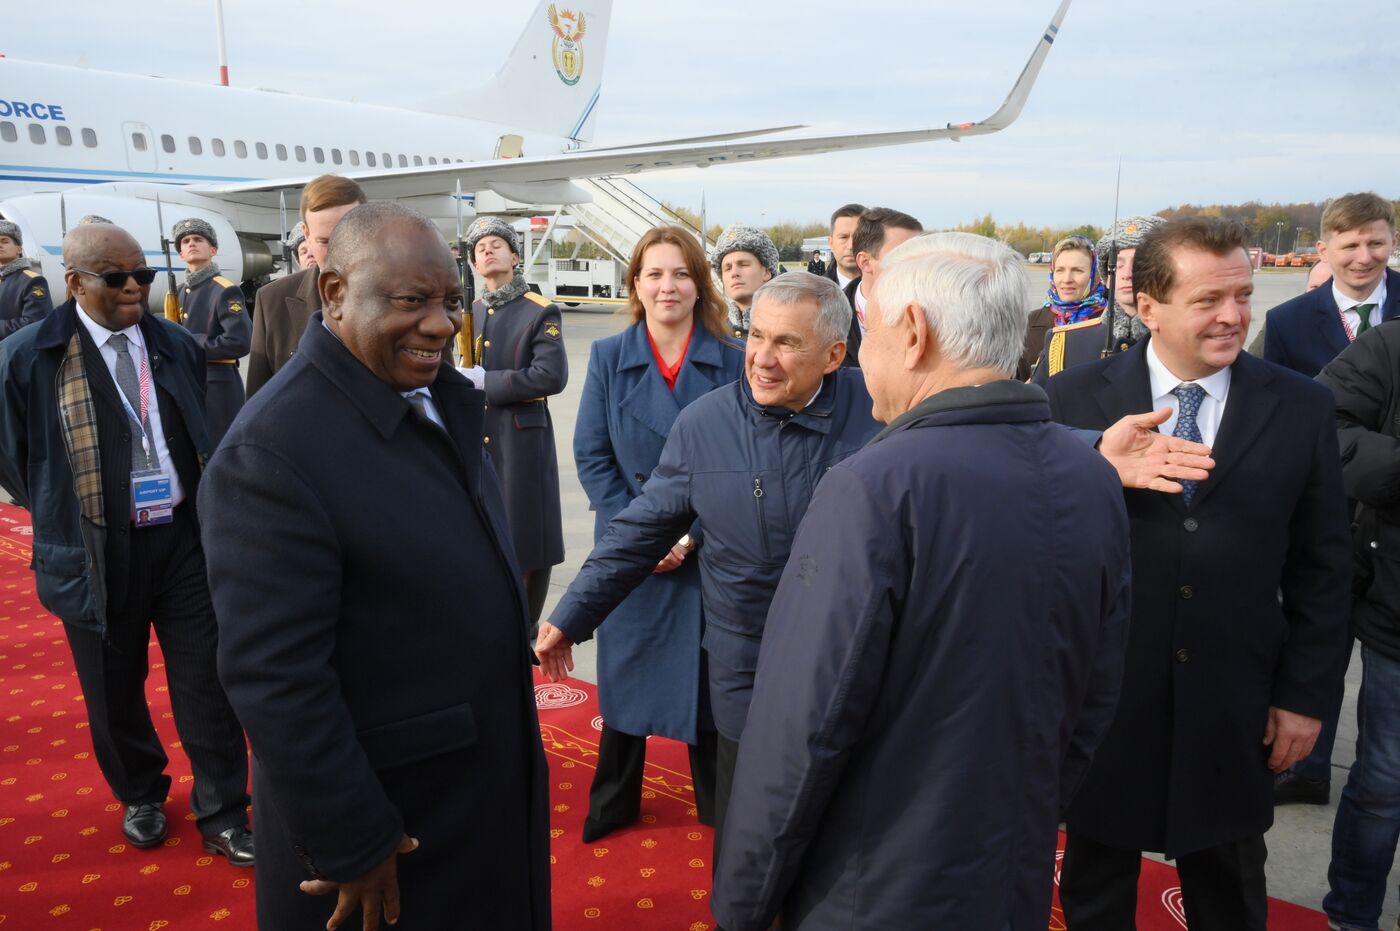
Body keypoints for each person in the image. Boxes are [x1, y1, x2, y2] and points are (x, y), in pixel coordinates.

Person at [710, 231, 1132, 930]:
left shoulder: (874, 487)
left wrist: (742, 903)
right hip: (1008, 874)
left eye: (868, 326)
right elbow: (1094, 693)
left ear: (913, 333)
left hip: (869, 891)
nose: (861, 355)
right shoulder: (1090, 475)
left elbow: (802, 729)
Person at [199, 203, 550, 931]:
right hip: (392, 827)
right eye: (409, 301)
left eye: (450, 300)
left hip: (473, 794)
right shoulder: (273, 452)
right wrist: (352, 836)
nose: (439, 322)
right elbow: (276, 678)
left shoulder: (437, 400)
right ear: (332, 293)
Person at [1047, 216, 1352, 930]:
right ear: (1145, 306)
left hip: (1234, 707)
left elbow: (1323, 568)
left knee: (1228, 891)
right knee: (1094, 890)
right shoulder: (1072, 399)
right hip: (1105, 706)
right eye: (1209, 299)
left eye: (1243, 295)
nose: (1234, 316)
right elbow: (1041, 548)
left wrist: (1305, 698)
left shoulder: (1302, 405)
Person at [536, 271, 879, 867]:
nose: (763, 360)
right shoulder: (704, 424)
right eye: (757, 337)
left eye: (786, 344)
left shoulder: (880, 414)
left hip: (849, 658)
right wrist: (571, 615)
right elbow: (639, 530)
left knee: (843, 830)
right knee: (751, 830)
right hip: (744, 658)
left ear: (834, 355)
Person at [0, 222, 253, 864]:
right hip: (94, 553)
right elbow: (12, 457)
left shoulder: (173, 344)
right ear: (77, 282)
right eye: (118, 278)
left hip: (183, 541)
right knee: (114, 690)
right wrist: (61, 508)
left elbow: (199, 429)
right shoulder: (31, 355)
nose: (135, 287)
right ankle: (141, 792)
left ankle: (224, 810)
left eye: (144, 274)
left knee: (206, 679)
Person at [561, 225, 744, 843]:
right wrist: (642, 537)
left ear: (701, 283)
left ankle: (720, 806)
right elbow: (593, 456)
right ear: (635, 283)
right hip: (629, 549)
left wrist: (686, 536)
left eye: (681, 273)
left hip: (708, 547)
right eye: (654, 273)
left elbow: (741, 457)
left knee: (709, 683)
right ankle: (613, 803)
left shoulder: (732, 359)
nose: (668, 286)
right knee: (627, 676)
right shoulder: (612, 356)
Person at [1317, 322, 1400, 931]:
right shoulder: (1390, 347)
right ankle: (1350, 917)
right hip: (1397, 612)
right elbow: (1327, 424)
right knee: (1382, 783)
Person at [458, 216, 567, 628]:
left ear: (515, 256)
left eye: (496, 244)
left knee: (526, 539)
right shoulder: (474, 310)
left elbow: (551, 377)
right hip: (481, 435)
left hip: (521, 438)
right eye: (479, 248)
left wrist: (488, 382)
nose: (486, 250)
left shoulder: (539, 311)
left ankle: (524, 630)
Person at [247, 174, 366, 396]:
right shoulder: (273, 301)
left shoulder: (406, 293)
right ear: (307, 234)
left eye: (349, 237)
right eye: (325, 242)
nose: (337, 251)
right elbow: (259, 402)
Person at [1264, 193, 1399, 378]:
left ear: (1393, 242)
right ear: (1323, 251)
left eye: (1376, 244)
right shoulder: (1287, 323)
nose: (1364, 258)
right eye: (1350, 246)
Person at [1025, 215, 1167, 382]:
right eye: (1118, 265)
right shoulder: (1064, 342)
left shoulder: (1184, 341)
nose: (1127, 275)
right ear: (1107, 276)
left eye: (1139, 265)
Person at [171, 217, 250, 446]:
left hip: (219, 387)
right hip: (189, 383)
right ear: (181, 255)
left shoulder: (225, 290)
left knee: (221, 450)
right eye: (185, 241)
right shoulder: (177, 292)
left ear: (213, 249)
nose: (191, 243)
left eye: (198, 239)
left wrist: (190, 343)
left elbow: (239, 342)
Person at [843, 207, 924, 366]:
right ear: (865, 262)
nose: (917, 267)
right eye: (903, 258)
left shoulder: (938, 318)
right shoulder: (825, 320)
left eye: (920, 257)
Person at [1019, 234, 1108, 378]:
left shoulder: (1109, 322)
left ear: (1094, 275)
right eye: (1060, 270)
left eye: (1077, 270)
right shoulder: (1029, 323)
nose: (1067, 279)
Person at [1246, 259, 1331, 358]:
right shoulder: (1281, 321)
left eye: (1330, 288)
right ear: (1306, 288)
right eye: (1315, 287)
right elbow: (1255, 361)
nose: (1322, 294)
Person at [712, 223, 780, 338]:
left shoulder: (787, 324)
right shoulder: (712, 331)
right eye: (727, 268)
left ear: (767, 272)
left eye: (743, 265)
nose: (734, 273)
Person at [0, 219, 51, 341]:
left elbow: (35, 324)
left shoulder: (33, 281)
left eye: (4, 241)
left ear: (19, 249)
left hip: (13, 355)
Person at [823, 203, 865, 294]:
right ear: (831, 243)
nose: (851, 246)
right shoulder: (812, 295)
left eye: (858, 238)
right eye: (843, 237)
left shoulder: (892, 293)